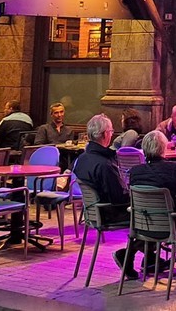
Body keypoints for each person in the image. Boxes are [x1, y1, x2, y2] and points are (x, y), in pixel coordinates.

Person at [127, 131, 176, 282]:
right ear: (164, 148)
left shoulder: (135, 172)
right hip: (169, 225)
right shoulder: (173, 169)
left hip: (144, 224)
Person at [72, 114, 143, 279]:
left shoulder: (82, 159)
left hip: (93, 212)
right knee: (151, 215)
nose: (112, 134)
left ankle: (151, 258)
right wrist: (136, 193)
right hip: (110, 213)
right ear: (105, 134)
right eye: (111, 131)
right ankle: (129, 255)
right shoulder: (103, 164)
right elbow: (118, 197)